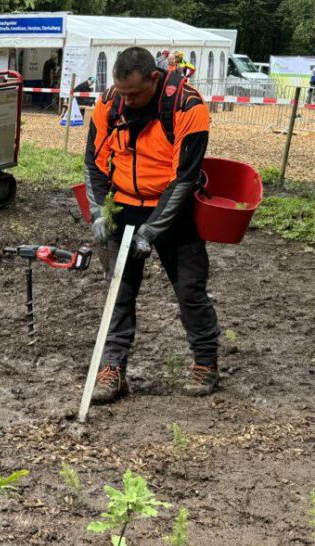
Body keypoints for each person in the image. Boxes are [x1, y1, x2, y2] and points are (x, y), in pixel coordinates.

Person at [83, 46, 221, 403]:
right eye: (121, 92)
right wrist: (100, 211)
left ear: (154, 78)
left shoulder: (187, 106)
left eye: (134, 93)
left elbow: (185, 178)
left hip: (173, 211)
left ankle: (205, 361)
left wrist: (152, 229)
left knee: (189, 290)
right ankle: (113, 369)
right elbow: (94, 164)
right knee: (119, 293)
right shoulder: (109, 103)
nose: (126, 100)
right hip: (124, 205)